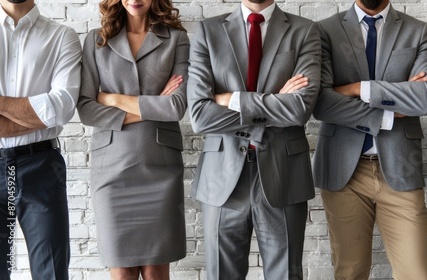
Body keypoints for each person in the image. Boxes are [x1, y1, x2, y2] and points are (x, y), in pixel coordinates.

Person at [187, 0, 320, 277]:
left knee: (285, 273)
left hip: (284, 172)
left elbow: (298, 110)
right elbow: (200, 115)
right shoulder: (208, 31)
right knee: (221, 274)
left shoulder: (304, 30)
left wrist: (232, 99)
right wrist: (276, 101)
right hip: (222, 176)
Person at [312, 0, 427, 279]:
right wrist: (389, 114)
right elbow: (321, 103)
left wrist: (357, 88)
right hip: (344, 171)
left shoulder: (417, 30)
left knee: (418, 274)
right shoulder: (325, 30)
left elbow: (426, 97)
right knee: (350, 272)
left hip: (400, 168)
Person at [76, 0, 188, 278]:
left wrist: (113, 99)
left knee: (155, 272)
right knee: (122, 271)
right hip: (112, 171)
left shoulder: (177, 39)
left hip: (159, 168)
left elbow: (176, 106)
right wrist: (153, 105)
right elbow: (87, 109)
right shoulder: (96, 40)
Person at [0, 0, 81, 279]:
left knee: (52, 272)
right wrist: (36, 113)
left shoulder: (62, 36)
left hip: (41, 166)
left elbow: (62, 107)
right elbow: (49, 111)